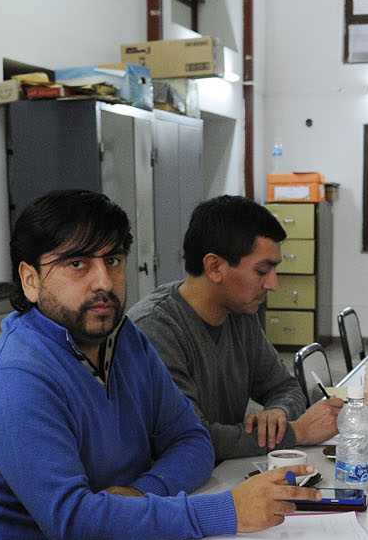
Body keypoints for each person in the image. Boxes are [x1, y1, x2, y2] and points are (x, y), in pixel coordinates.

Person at [0, 189, 316, 540]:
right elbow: (72, 522)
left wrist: (143, 495)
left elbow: (192, 440)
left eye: (113, 260)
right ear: (31, 280)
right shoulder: (18, 377)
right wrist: (226, 510)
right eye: (77, 264)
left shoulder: (124, 340)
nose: (104, 283)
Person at [131, 194, 343, 461]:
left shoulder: (240, 314)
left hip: (224, 472)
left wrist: (278, 413)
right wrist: (296, 432)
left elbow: (285, 387)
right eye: (262, 270)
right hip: (173, 492)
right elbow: (190, 436)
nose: (272, 284)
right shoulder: (155, 328)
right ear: (215, 267)